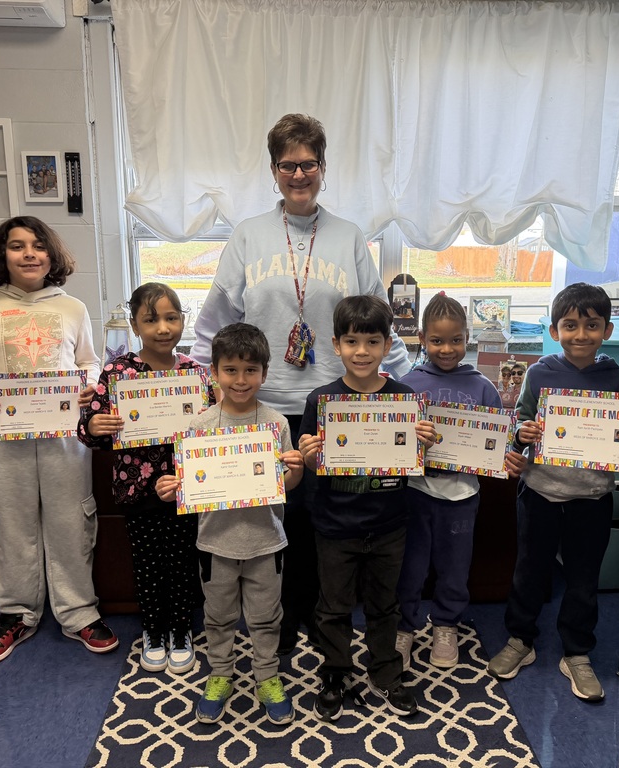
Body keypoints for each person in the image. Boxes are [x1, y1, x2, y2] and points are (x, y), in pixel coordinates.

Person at [190, 113, 412, 656]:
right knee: (269, 526)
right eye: (288, 165)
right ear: (273, 170)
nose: (298, 174)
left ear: (322, 168)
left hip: (335, 408)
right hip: (258, 407)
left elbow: (375, 319)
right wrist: (203, 389)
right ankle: (276, 629)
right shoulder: (247, 236)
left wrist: (408, 391)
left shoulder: (349, 237)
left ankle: (322, 623)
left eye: (308, 164)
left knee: (322, 527)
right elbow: (214, 322)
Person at [0, 215, 118, 667]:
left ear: (52, 254)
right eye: (17, 246)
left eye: (38, 246)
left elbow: (90, 362)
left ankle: (79, 610)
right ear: (1, 255)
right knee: (11, 524)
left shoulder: (73, 308)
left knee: (70, 520)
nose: (29, 254)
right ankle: (17, 614)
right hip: (6, 438)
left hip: (66, 436)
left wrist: (88, 386)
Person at [486, 282, 619, 701]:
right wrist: (522, 433)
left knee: (584, 578)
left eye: (591, 325)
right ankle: (520, 641)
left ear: (607, 330)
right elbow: (519, 424)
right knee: (529, 571)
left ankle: (577, 653)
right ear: (554, 330)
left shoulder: (615, 377)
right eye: (570, 325)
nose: (580, 334)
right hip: (540, 491)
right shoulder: (539, 372)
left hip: (593, 496)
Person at [297, 295, 436, 721]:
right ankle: (336, 671)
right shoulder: (320, 401)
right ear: (336, 344)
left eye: (372, 342)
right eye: (352, 342)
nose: (362, 352)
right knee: (333, 606)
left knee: (384, 605)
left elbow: (416, 464)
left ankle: (386, 671)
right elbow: (309, 464)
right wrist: (307, 453)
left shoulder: (405, 400)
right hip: (335, 524)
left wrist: (424, 444)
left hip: (389, 523)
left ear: (386, 344)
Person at [158, 323, 305, 725]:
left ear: (264, 373)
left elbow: (286, 485)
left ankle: (266, 676)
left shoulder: (276, 424)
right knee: (218, 616)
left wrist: (295, 470)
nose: (241, 380)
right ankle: (221, 672)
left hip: (266, 542)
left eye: (250, 370)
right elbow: (188, 483)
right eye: (230, 370)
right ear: (214, 372)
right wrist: (172, 486)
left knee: (264, 617)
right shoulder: (201, 426)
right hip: (215, 544)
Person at [78, 283, 206, 675]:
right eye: (151, 320)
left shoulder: (195, 373)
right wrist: (95, 425)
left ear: (184, 320)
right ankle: (153, 631)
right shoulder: (117, 372)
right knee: (149, 564)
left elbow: (214, 426)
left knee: (184, 563)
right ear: (135, 324)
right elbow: (88, 432)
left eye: (172, 317)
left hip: (187, 487)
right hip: (137, 489)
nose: (163, 328)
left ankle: (181, 631)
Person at [396, 294, 528, 671]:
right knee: (411, 567)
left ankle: (445, 624)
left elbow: (497, 443)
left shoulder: (482, 386)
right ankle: (404, 627)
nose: (447, 348)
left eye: (455, 339)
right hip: (416, 494)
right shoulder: (408, 386)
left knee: (455, 567)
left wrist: (506, 454)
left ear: (467, 337)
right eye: (437, 340)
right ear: (422, 338)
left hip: (463, 495)